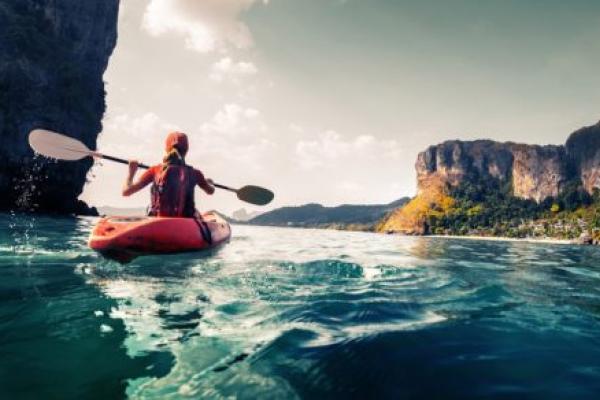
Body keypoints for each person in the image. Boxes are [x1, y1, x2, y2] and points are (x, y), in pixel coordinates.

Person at [122, 131, 215, 218]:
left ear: (166, 149)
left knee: (149, 208)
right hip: (185, 222)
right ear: (186, 150)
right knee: (197, 212)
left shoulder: (155, 170)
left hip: (159, 220)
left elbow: (126, 192)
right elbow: (210, 191)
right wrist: (209, 183)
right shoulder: (195, 174)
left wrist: (131, 171)